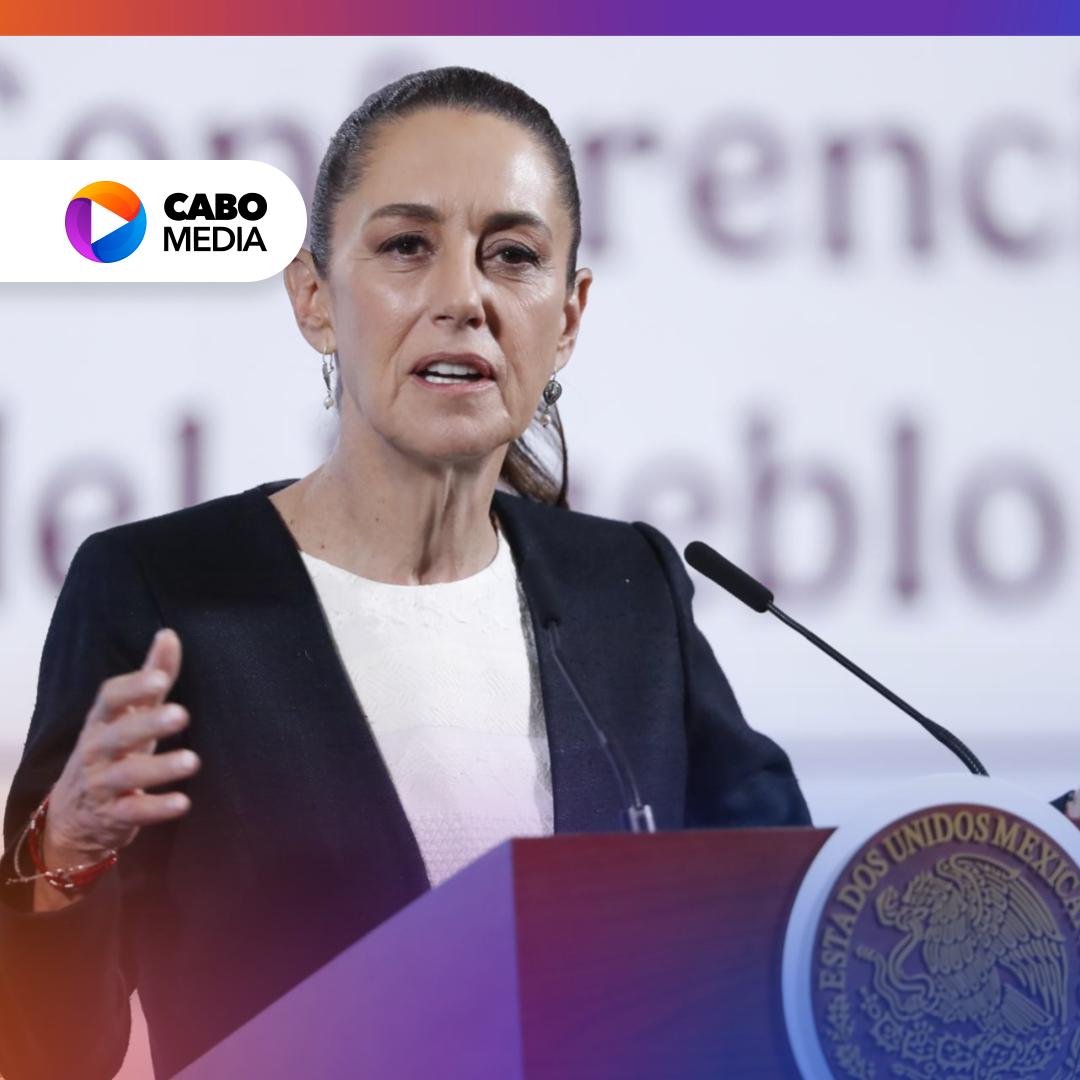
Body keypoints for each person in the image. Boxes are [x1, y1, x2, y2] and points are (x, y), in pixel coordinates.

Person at [0, 64, 1060, 1080]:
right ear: (315, 297)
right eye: (407, 246)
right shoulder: (163, 591)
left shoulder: (625, 593)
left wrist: (1025, 863)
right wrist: (64, 856)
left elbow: (792, 919)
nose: (463, 297)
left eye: (512, 256)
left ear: (569, 317)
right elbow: (48, 1051)